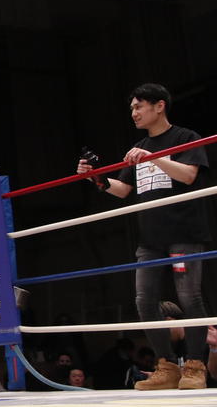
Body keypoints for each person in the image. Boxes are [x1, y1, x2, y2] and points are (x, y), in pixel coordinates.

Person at [77, 83, 210, 390]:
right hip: (150, 238)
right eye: (132, 109)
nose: (134, 113)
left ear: (159, 105)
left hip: (184, 233)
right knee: (144, 300)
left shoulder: (185, 137)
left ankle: (195, 366)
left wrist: (153, 157)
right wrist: (96, 177)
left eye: (139, 107)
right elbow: (122, 189)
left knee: (189, 296)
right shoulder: (139, 147)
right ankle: (166, 366)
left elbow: (189, 175)